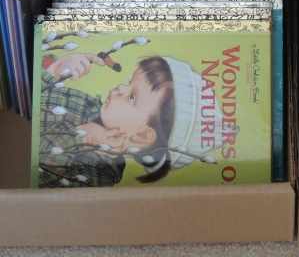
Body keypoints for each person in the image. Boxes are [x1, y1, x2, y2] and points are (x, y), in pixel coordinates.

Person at [37, 52, 223, 187]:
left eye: (132, 96)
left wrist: (84, 138)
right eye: (128, 83)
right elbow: (36, 93)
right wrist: (55, 69)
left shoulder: (98, 174)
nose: (120, 88)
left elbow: (41, 173)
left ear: (143, 135)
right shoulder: (91, 107)